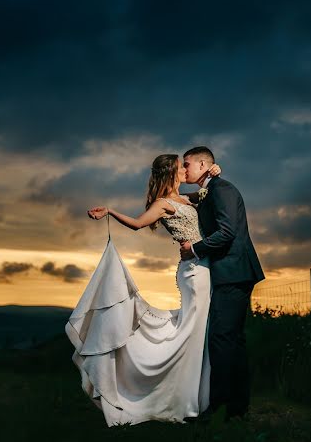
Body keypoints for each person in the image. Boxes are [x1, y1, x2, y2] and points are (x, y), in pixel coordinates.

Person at [66, 154, 220, 426]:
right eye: (181, 167)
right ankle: (183, 401)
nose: (185, 170)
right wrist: (110, 212)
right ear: (171, 172)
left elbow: (208, 192)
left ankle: (195, 398)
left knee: (198, 334)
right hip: (194, 272)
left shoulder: (187, 199)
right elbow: (138, 224)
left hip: (203, 267)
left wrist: (213, 174)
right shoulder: (163, 204)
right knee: (193, 334)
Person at [178, 146, 265, 420]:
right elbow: (175, 198)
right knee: (231, 340)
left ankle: (218, 406)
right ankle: (236, 409)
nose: (184, 169)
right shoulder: (208, 190)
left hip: (234, 270)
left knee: (221, 338)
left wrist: (194, 248)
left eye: (188, 164)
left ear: (204, 164)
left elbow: (227, 232)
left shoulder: (221, 189)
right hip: (230, 272)